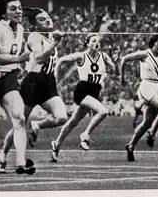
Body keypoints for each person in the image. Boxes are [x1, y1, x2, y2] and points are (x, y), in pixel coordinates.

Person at [0, 8, 67, 172]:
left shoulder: (48, 37)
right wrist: (55, 43)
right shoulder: (35, 36)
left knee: (62, 117)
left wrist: (53, 42)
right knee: (20, 123)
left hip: (48, 83)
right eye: (42, 19)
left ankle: (37, 125)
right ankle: (3, 155)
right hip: (33, 83)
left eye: (48, 18)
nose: (48, 20)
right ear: (36, 25)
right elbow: (41, 58)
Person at [50, 34, 118, 162]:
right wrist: (55, 78)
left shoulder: (104, 56)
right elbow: (61, 60)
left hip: (94, 91)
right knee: (103, 112)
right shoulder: (81, 56)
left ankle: (56, 144)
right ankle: (85, 134)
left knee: (73, 122)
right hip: (82, 91)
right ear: (87, 43)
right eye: (93, 41)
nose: (97, 43)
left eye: (98, 41)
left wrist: (115, 61)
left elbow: (115, 71)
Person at [120, 34, 158, 162]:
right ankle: (152, 133)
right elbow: (124, 59)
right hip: (146, 85)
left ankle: (130, 146)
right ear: (152, 44)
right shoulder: (144, 54)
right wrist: (122, 78)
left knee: (147, 122)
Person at [0, 0, 34, 175]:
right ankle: (1, 157)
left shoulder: (20, 29)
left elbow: (14, 56)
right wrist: (18, 58)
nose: (18, 11)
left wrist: (20, 65)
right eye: (13, 8)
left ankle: (20, 163)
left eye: (19, 8)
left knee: (20, 118)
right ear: (3, 13)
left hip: (7, 77)